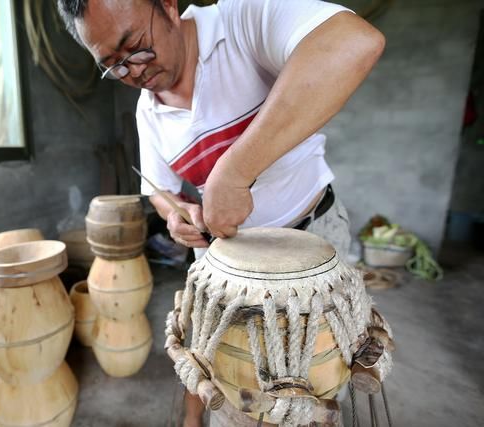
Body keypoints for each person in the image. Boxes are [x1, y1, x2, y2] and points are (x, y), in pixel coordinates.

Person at [58, 0, 384, 425]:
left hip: (313, 239)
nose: (133, 70)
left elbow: (354, 42)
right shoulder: (148, 112)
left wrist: (234, 170)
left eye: (135, 45)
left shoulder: (244, 21)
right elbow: (162, 192)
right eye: (113, 65)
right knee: (226, 383)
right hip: (223, 258)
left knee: (309, 393)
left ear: (169, 7)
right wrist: (175, 215)